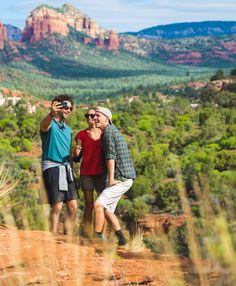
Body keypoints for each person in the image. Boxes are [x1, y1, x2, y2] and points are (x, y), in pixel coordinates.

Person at [94, 107, 136, 246]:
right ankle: (122, 239)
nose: (94, 118)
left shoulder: (108, 133)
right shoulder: (112, 131)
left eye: (98, 116)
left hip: (120, 178)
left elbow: (110, 157)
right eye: (94, 116)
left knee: (98, 205)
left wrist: (110, 179)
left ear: (107, 118)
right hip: (126, 178)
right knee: (107, 210)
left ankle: (97, 238)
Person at [40, 94, 78, 234]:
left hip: (67, 168)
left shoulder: (68, 130)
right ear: (57, 107)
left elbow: (67, 150)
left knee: (73, 206)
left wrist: (74, 154)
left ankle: (66, 236)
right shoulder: (50, 124)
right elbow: (44, 126)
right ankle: (52, 237)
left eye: (71, 108)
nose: (68, 110)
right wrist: (51, 114)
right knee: (57, 206)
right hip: (52, 166)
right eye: (66, 107)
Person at [74, 108, 106, 237]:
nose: (90, 118)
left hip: (101, 173)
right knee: (89, 205)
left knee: (102, 206)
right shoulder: (81, 134)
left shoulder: (104, 133)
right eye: (87, 115)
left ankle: (100, 236)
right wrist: (76, 152)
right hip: (86, 173)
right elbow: (78, 155)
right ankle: (86, 235)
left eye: (92, 115)